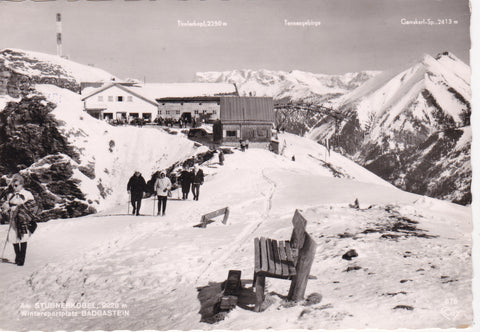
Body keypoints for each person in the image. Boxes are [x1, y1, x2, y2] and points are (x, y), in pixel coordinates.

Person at [1, 174, 37, 266]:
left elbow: (33, 205)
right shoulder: (10, 195)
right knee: (13, 237)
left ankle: (22, 258)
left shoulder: (27, 194)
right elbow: (7, 204)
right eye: (13, 185)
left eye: (16, 185)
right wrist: (6, 207)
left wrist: (22, 209)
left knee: (23, 237)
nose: (14, 187)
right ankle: (17, 256)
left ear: (21, 185)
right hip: (13, 218)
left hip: (23, 219)